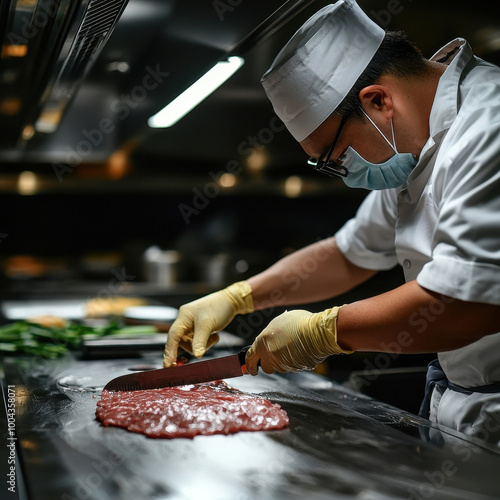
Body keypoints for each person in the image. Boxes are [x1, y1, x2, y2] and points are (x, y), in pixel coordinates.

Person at [164, 0, 500, 444]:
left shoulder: (487, 127)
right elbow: (349, 254)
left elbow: (467, 304)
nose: (342, 170)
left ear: (378, 100)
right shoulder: (411, 143)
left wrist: (325, 331)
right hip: (463, 397)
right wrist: (239, 297)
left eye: (334, 154)